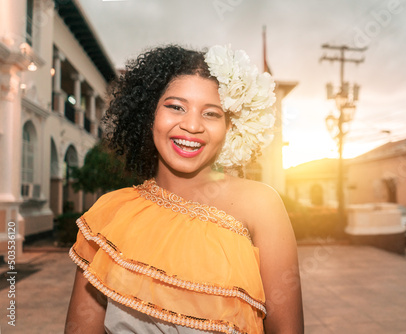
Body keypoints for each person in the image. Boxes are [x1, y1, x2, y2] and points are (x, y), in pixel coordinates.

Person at [64, 44, 304, 334]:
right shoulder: (110, 213)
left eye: (211, 113)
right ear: (148, 113)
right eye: (176, 106)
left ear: (231, 126)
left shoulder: (261, 205)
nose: (192, 125)